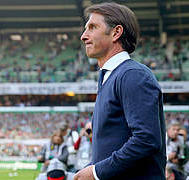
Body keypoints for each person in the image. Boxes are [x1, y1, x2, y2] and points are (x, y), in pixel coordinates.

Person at [74, 2, 166, 180]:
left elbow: (146, 140)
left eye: (92, 27)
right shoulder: (110, 76)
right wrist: (91, 168)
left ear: (116, 32)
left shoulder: (132, 75)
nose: (84, 36)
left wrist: (96, 173)